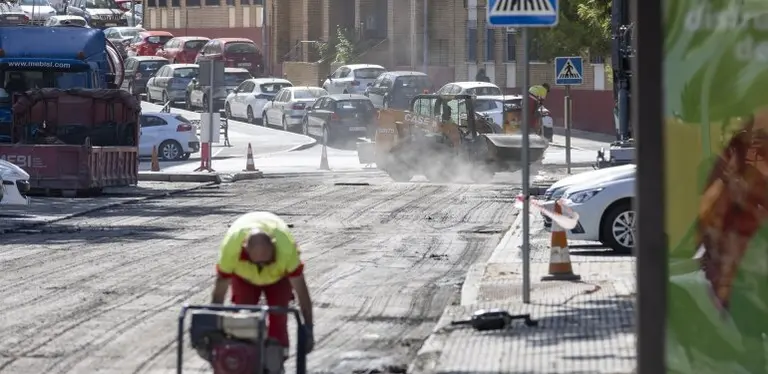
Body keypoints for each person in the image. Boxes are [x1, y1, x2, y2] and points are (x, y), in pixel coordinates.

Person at [212, 211, 315, 356]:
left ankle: (277, 359)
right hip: (244, 278)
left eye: (266, 262)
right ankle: (244, 357)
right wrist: (211, 326)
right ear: (245, 248)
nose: (261, 268)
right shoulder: (231, 248)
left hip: (278, 278)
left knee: (279, 316)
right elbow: (219, 294)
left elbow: (302, 293)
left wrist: (309, 328)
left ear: (273, 248)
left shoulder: (286, 249)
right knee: (244, 318)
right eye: (257, 263)